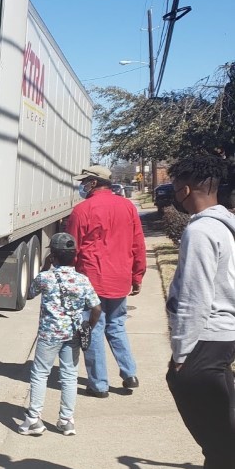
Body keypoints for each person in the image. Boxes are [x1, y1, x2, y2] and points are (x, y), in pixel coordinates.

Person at [154, 154, 235, 469]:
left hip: (203, 342)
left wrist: (181, 353)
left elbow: (194, 295)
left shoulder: (201, 231)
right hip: (222, 340)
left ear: (185, 189)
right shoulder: (227, 225)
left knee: (220, 446)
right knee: (220, 443)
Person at [65, 164, 146, 396]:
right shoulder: (127, 207)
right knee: (117, 325)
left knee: (93, 329)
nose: (81, 185)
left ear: (93, 183)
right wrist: (137, 275)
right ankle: (129, 373)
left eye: (84, 182)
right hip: (120, 278)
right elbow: (137, 243)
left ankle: (99, 385)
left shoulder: (82, 210)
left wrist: (69, 279)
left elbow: (73, 247)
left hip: (92, 279)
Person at [18, 233, 102, 437]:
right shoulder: (82, 279)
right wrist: (88, 326)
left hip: (49, 335)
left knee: (40, 374)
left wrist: (46, 266)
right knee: (69, 376)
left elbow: (30, 292)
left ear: (53, 256)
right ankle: (66, 420)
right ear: (74, 256)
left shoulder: (45, 277)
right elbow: (97, 308)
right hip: (72, 333)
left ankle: (34, 419)